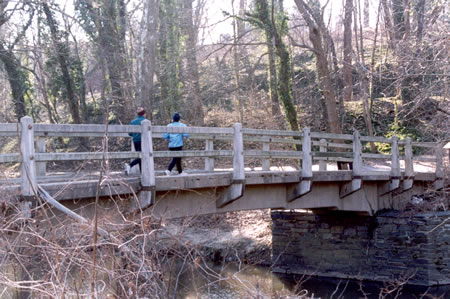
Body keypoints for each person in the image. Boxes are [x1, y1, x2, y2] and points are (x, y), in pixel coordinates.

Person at [124, 107, 147, 175]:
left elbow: (130, 133)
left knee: (140, 156)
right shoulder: (145, 121)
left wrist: (135, 135)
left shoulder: (133, 122)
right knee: (141, 156)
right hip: (143, 141)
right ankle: (130, 165)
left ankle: (142, 173)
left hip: (135, 141)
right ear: (144, 114)